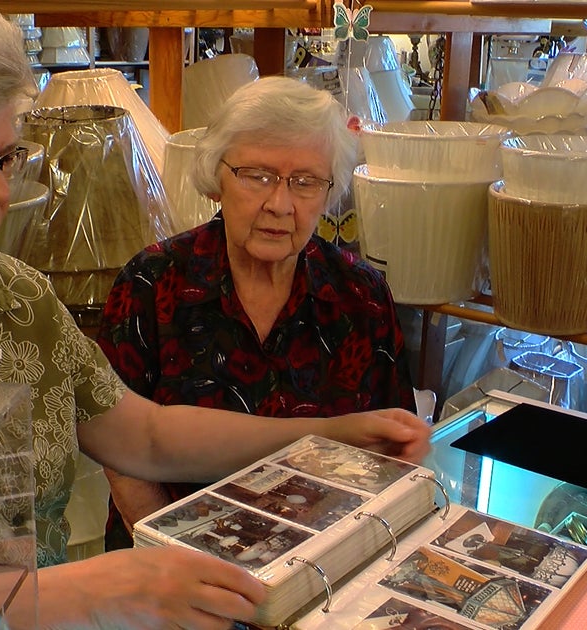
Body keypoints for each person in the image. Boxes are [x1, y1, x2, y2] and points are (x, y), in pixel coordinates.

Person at [0, 2, 430, 627]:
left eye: (7, 158)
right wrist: (92, 587)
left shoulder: (13, 293)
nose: (1, 193)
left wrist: (333, 432)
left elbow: (144, 435)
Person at [96, 76, 420, 551]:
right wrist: (173, 564)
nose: (280, 204)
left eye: (305, 182)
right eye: (257, 176)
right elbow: (118, 451)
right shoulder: (150, 282)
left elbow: (388, 448)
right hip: (171, 565)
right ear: (217, 179)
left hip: (317, 560)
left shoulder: (361, 294)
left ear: (329, 192)